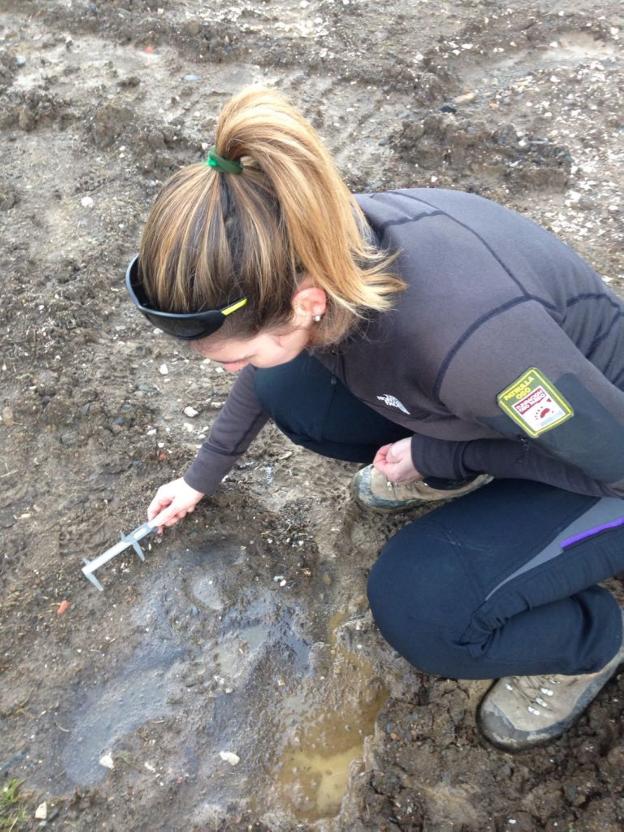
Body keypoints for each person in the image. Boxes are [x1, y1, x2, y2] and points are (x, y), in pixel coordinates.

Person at [125, 86, 624, 751]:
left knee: (423, 605)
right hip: (511, 412)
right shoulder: (313, 245)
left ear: (305, 303)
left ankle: (594, 643)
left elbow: (605, 460)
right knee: (292, 388)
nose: (225, 369)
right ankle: (469, 476)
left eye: (233, 352)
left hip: (603, 461)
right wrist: (201, 476)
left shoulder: (480, 352)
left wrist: (438, 456)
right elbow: (266, 365)